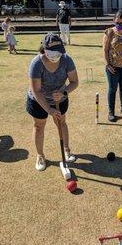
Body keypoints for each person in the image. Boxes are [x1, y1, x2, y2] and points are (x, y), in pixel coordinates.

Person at [26, 33, 79, 171]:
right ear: (44, 49)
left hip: (59, 98)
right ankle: (40, 156)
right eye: (53, 52)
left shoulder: (67, 60)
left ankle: (66, 150)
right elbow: (36, 90)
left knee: (61, 122)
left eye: (59, 52)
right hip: (38, 100)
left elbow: (74, 82)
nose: (57, 55)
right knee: (39, 126)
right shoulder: (36, 63)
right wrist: (49, 110)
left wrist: (64, 92)